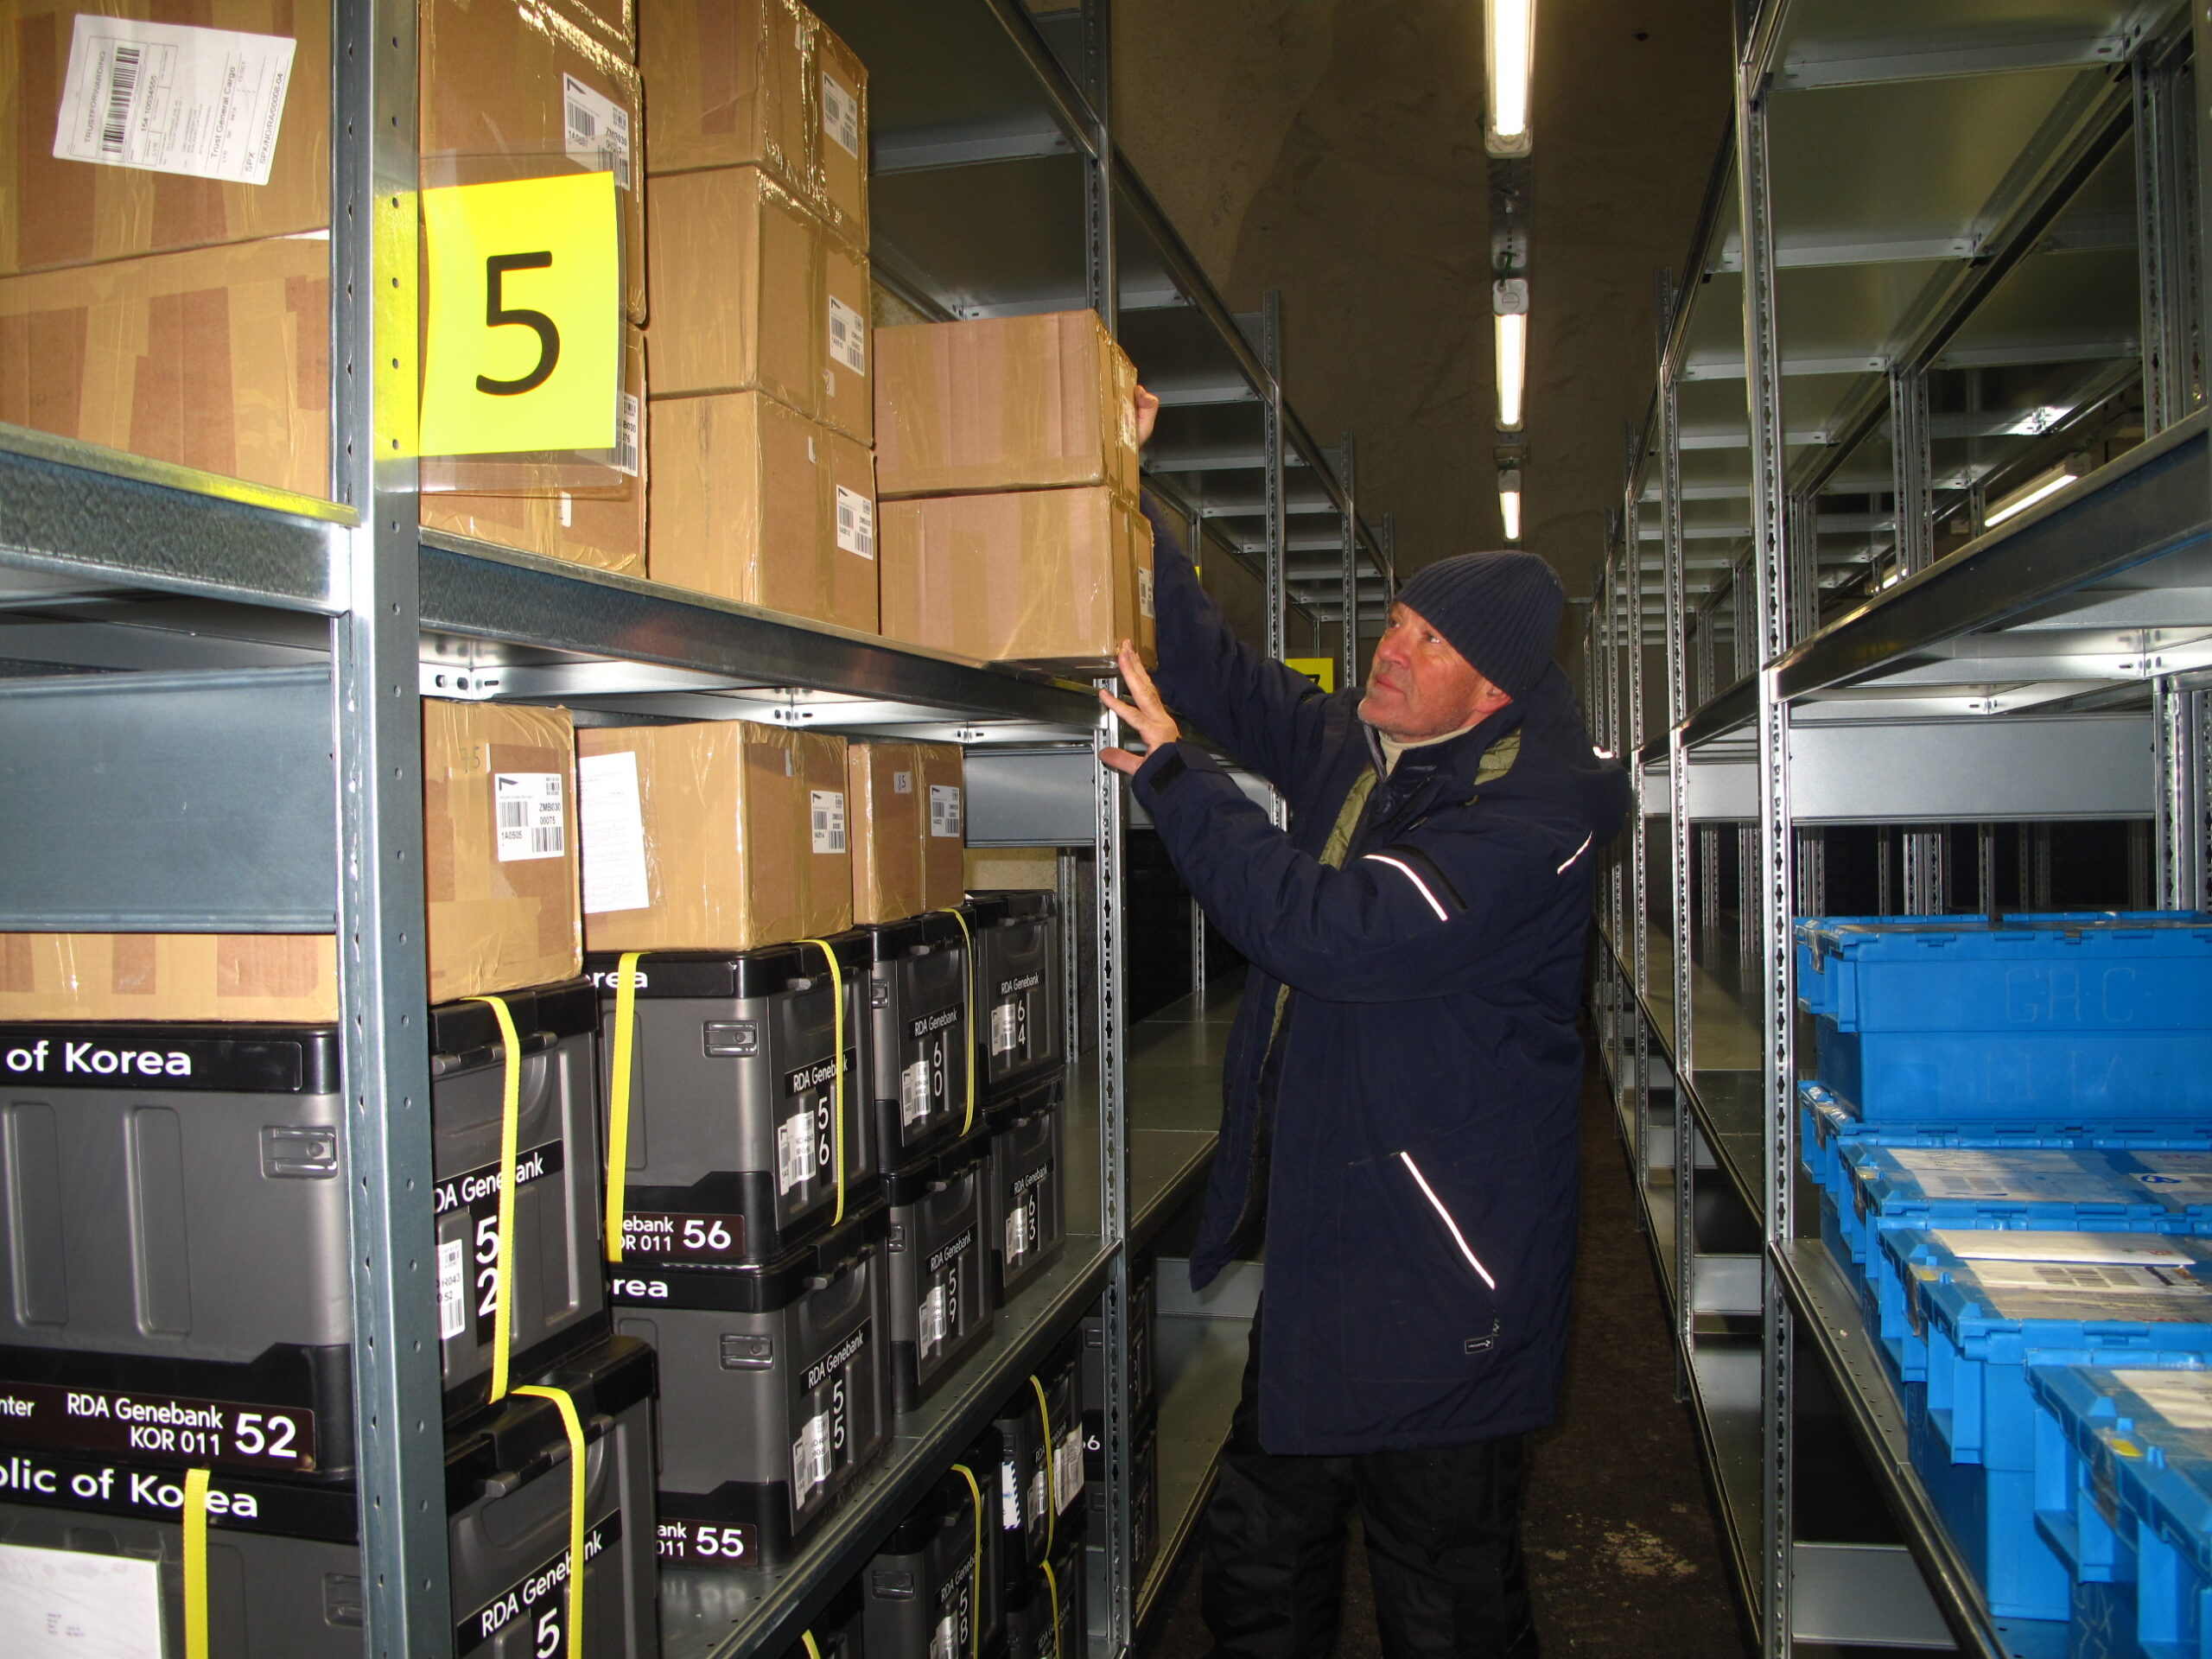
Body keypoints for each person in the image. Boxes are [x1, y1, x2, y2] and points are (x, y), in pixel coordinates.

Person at [1096, 390, 1630, 1659]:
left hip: (1449, 1277)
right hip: (1338, 1247)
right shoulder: (1368, 743)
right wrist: (1119, 483)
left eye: (1424, 640)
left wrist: (1177, 782)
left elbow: (1331, 932)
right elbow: (1217, 669)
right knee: (1261, 1554)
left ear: (1490, 687)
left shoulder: (1537, 821)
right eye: (1395, 616)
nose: (1387, 648)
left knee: (1442, 1591)